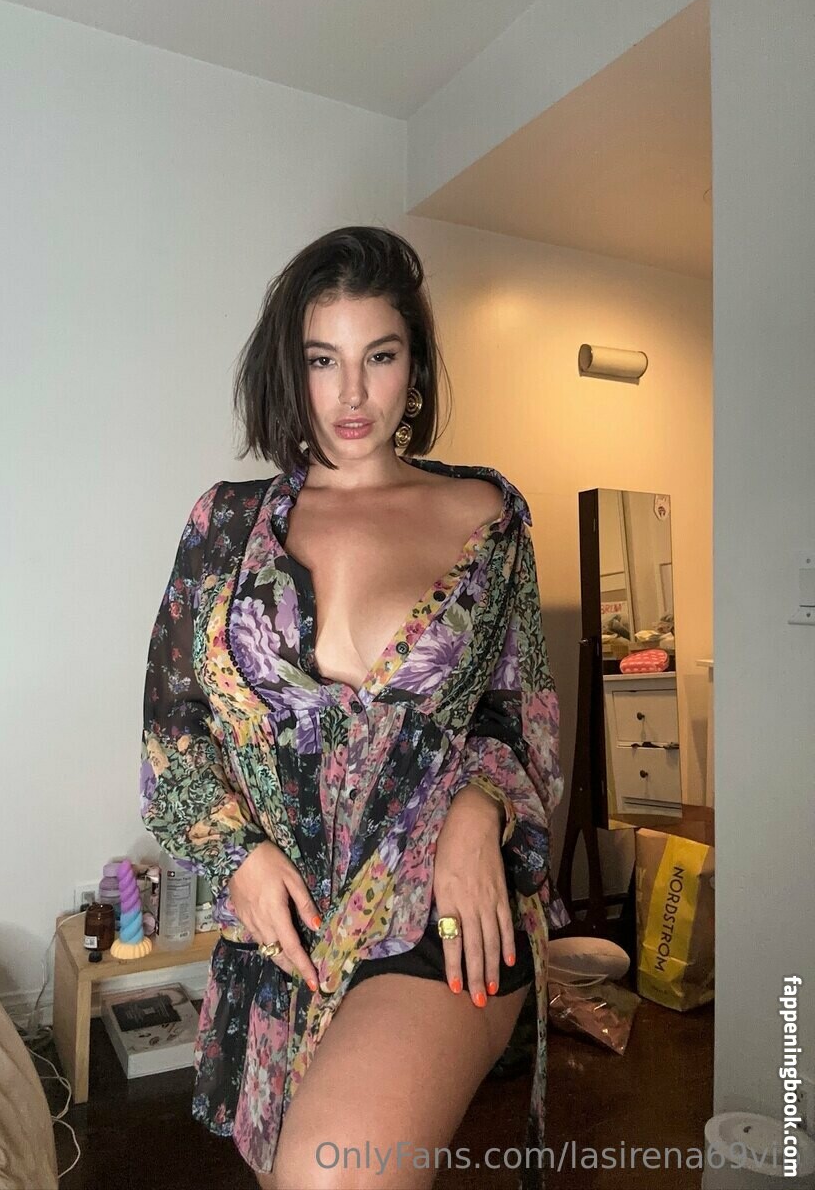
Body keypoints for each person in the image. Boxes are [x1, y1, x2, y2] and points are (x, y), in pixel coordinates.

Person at [139, 226, 569, 1190]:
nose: (352, 396)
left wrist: (479, 807)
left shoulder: (488, 520)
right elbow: (173, 732)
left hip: (436, 900)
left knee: (331, 1175)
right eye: (323, 360)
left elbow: (522, 718)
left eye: (380, 356)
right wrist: (239, 860)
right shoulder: (224, 526)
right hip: (282, 923)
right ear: (289, 370)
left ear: (414, 367)